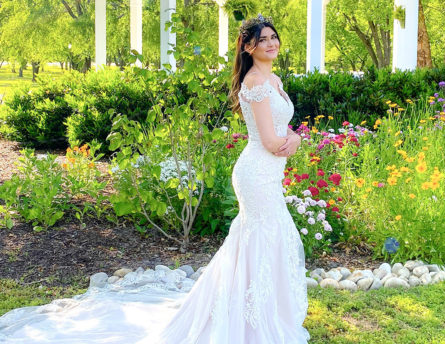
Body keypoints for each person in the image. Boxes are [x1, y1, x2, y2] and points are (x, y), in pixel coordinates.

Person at [0, 14, 309, 344]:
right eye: (263, 40)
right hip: (257, 173)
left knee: (261, 239)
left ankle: (258, 312)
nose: (271, 43)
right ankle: (247, 319)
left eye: (274, 37)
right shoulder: (255, 85)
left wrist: (293, 139)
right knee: (261, 236)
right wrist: (296, 141)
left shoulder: (273, 79)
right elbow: (271, 142)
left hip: (269, 172)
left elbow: (281, 131)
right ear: (248, 47)